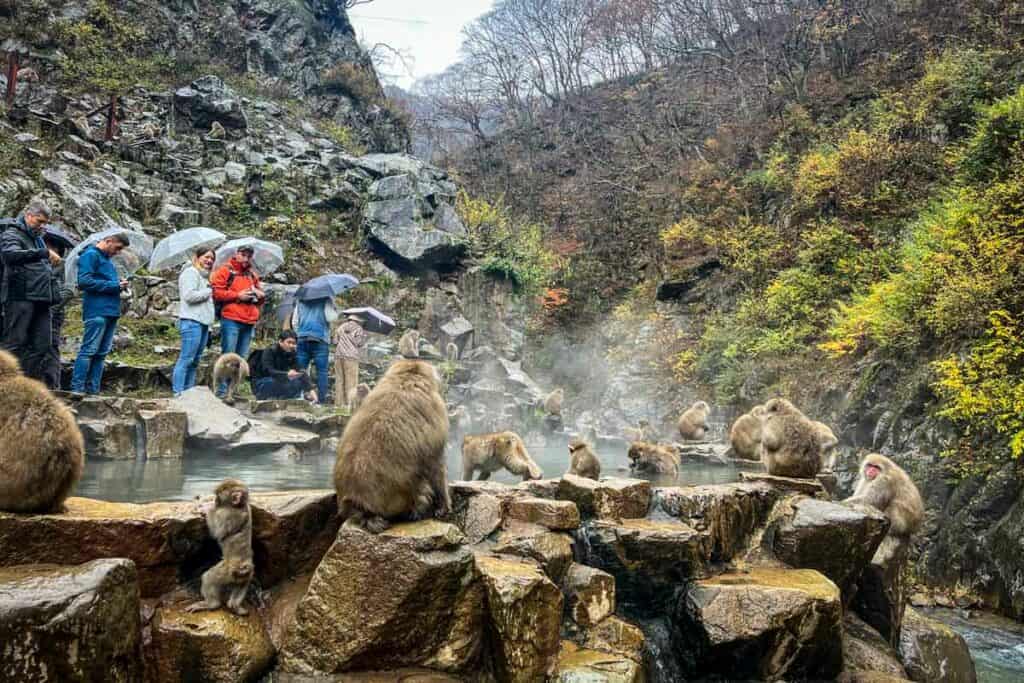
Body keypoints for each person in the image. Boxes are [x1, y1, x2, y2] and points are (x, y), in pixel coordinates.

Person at [1, 200, 60, 380]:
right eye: (39, 221)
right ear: (28, 216)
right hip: (20, 296)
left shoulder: (38, 238)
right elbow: (10, 255)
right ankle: (5, 382)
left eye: (45, 223)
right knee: (14, 342)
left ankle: (26, 383)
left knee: (43, 345)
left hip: (42, 299)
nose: (42, 226)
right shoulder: (12, 233)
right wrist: (43, 253)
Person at [70, 233, 130, 395]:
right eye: (117, 248)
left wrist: (120, 286)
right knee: (89, 350)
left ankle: (93, 390)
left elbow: (108, 284)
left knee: (101, 353)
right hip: (97, 310)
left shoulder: (107, 261)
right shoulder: (90, 256)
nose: (118, 252)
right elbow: (84, 282)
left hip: (111, 311)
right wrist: (114, 285)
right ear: (108, 241)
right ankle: (77, 389)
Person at [211, 246, 265, 397]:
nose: (246, 258)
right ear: (236, 254)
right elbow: (217, 293)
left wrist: (260, 295)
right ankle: (221, 391)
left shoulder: (252, 275)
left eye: (249, 256)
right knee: (228, 356)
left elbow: (260, 301)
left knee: (241, 358)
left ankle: (232, 391)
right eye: (243, 255)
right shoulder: (225, 271)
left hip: (249, 319)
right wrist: (237, 296)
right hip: (231, 318)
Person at [172, 247, 215, 396]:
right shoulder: (190, 273)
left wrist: (209, 328)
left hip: (203, 323)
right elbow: (189, 296)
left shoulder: (204, 277)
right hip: (191, 322)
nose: (209, 261)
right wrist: (209, 291)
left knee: (195, 361)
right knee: (186, 359)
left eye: (212, 259)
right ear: (197, 257)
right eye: (206, 257)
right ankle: (178, 393)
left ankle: (189, 393)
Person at [39, 232, 76, 390]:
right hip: (36, 314)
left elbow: (68, 292)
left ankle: (53, 386)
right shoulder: (38, 264)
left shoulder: (63, 265)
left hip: (52, 315)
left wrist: (49, 309)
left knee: (50, 348)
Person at [293, 297, 337, 405]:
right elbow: (331, 318)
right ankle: (321, 401)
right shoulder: (326, 299)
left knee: (299, 371)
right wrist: (334, 307)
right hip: (320, 339)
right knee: (321, 372)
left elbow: (294, 321)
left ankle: (297, 397)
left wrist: (300, 333)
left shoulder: (300, 300)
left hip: (302, 338)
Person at [249, 330, 314, 401]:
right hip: (263, 381)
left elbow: (300, 371)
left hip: (279, 380)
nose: (291, 345)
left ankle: (284, 398)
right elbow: (268, 370)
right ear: (280, 341)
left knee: (298, 382)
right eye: (289, 342)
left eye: (294, 343)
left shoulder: (292, 353)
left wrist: (310, 390)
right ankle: (266, 398)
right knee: (274, 382)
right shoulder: (270, 351)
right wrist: (287, 374)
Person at [333, 313, 367, 409]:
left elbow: (335, 341)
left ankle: (338, 408)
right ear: (358, 320)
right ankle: (349, 408)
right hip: (351, 357)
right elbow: (359, 343)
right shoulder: (359, 329)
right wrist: (364, 338)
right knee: (351, 384)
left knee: (339, 382)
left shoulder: (340, 327)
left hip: (338, 356)